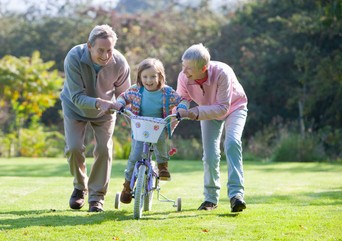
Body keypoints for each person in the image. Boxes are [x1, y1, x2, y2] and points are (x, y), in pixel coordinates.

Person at [60, 24, 131, 212]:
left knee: (104, 149)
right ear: (89, 46)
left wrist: (126, 110)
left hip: (105, 112)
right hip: (74, 108)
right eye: (101, 50)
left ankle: (96, 198)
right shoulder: (74, 57)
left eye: (110, 50)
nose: (106, 55)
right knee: (74, 148)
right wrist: (100, 102)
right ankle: (79, 186)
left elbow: (126, 96)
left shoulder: (120, 63)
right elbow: (76, 96)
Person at [176, 43, 248, 212]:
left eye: (189, 68)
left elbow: (223, 107)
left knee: (231, 143)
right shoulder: (183, 77)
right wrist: (169, 128)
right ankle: (210, 199)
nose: (184, 72)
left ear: (204, 68)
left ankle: (236, 196)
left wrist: (193, 112)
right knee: (209, 154)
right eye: (183, 66)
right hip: (207, 111)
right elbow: (182, 100)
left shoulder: (222, 72)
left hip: (234, 108)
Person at [114, 58, 189, 204]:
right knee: (134, 157)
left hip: (158, 126)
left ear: (160, 76)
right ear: (140, 77)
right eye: (145, 77)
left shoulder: (166, 92)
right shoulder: (136, 90)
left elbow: (183, 100)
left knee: (161, 143)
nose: (149, 80)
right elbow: (123, 96)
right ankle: (127, 187)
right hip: (140, 127)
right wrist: (120, 104)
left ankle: (162, 167)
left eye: (153, 76)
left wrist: (182, 108)